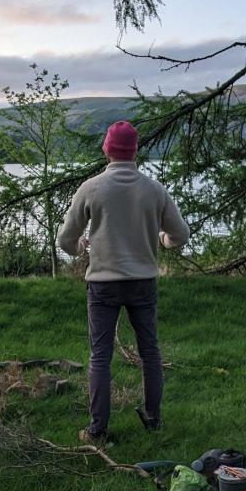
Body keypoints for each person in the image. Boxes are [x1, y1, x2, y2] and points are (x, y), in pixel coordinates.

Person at [57, 121, 189, 445]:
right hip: (143, 282)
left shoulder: (91, 188)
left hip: (103, 285)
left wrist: (79, 249)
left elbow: (65, 239)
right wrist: (162, 239)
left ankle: (97, 431)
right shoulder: (153, 189)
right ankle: (153, 419)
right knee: (150, 351)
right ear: (135, 151)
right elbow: (181, 235)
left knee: (100, 356)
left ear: (106, 149)